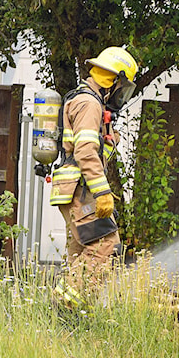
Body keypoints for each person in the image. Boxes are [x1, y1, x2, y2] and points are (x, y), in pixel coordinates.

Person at [50, 46, 138, 307]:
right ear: (113, 80)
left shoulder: (90, 102)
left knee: (83, 249)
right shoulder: (89, 103)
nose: (122, 94)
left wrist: (111, 136)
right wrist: (102, 193)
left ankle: (69, 311)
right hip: (82, 187)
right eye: (122, 86)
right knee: (105, 244)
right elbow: (86, 151)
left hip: (75, 186)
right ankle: (65, 306)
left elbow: (96, 150)